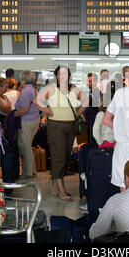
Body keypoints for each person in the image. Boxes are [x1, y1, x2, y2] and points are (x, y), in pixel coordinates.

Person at [34, 65, 88, 201]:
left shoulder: (73, 88)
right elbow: (36, 101)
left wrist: (78, 113)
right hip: (56, 126)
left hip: (70, 126)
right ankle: (61, 189)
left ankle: (55, 185)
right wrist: (47, 111)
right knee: (59, 157)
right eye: (59, 74)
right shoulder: (51, 88)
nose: (61, 76)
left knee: (65, 155)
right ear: (56, 76)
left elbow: (86, 101)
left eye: (64, 74)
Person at [14, 70, 40, 179]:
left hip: (26, 120)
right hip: (35, 119)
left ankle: (27, 173)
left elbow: (24, 109)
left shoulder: (25, 91)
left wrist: (13, 114)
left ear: (23, 80)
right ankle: (32, 170)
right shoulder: (34, 90)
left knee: (25, 146)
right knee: (28, 145)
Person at [84, 73, 100, 145]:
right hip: (90, 122)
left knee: (92, 143)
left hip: (93, 122)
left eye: (90, 81)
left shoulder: (96, 93)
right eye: (88, 81)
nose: (88, 83)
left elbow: (98, 109)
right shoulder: (91, 93)